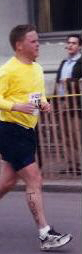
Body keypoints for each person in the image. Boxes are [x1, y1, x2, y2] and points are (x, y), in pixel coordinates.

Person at [0, 24, 73, 251]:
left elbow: (38, 96)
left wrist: (45, 104)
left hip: (28, 131)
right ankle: (45, 234)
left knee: (6, 182)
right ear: (19, 45)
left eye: (38, 41)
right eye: (33, 41)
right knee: (34, 179)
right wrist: (16, 106)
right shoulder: (6, 70)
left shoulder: (37, 69)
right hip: (10, 130)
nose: (38, 44)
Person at [54, 34, 82, 175]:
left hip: (76, 104)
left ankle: (79, 164)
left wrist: (69, 81)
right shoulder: (64, 62)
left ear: (80, 46)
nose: (70, 45)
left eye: (74, 43)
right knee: (65, 135)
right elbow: (58, 82)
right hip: (62, 102)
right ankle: (71, 164)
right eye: (69, 43)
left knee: (76, 134)